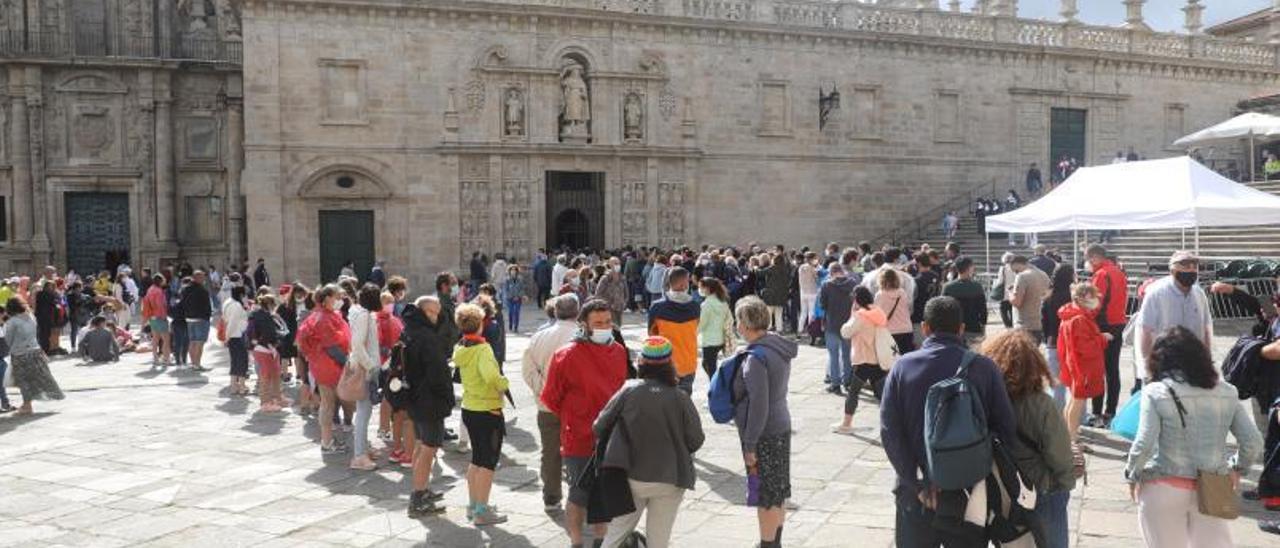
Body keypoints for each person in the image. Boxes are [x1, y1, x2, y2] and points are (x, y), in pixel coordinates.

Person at [879, 296, 1016, 548]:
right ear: (961, 328)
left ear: (925, 328)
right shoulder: (984, 368)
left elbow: (890, 432)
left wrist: (917, 481)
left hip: (915, 491)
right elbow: (1006, 430)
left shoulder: (902, 368)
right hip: (969, 491)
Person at [1125, 326, 1263, 548]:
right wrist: (1237, 468)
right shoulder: (1226, 391)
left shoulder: (1157, 391)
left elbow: (1144, 443)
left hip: (1163, 485)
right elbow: (1253, 441)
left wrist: (1132, 474)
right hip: (1213, 486)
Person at [594, 336, 706, 548]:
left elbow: (599, 426)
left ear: (641, 362)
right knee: (659, 540)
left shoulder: (629, 390)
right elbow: (696, 439)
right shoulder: (680, 396)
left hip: (629, 475)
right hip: (671, 477)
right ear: (670, 362)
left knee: (615, 534)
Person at [542, 298, 629, 546]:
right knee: (579, 494)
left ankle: (601, 540)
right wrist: (576, 415)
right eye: (598, 323)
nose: (604, 327)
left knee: (605, 494)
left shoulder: (618, 351)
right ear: (584, 325)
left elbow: (621, 390)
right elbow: (551, 398)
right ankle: (576, 541)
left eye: (608, 322)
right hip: (579, 436)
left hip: (612, 438)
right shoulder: (566, 355)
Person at [981, 330, 1076, 548]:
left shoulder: (985, 400)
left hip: (1002, 488)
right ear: (1034, 364)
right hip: (1041, 486)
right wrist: (1065, 483)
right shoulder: (1042, 404)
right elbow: (1059, 453)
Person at [728, 296, 795, 548]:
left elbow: (759, 405)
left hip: (763, 431)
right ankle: (774, 541)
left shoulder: (756, 357)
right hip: (781, 424)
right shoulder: (777, 346)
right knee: (777, 491)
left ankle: (767, 544)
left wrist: (749, 444)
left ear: (744, 324)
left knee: (765, 495)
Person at [521, 295, 581, 512]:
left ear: (555, 312)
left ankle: (552, 497)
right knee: (582, 449)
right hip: (579, 407)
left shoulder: (539, 337)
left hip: (547, 405)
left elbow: (528, 371)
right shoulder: (583, 335)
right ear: (578, 311)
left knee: (550, 451)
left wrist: (543, 389)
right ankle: (581, 494)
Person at [454, 302, 509, 526]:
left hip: (470, 408)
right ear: (480, 325)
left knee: (477, 459)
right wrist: (504, 383)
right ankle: (481, 511)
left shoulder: (462, 347)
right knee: (488, 462)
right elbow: (492, 378)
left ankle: (474, 504)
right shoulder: (483, 349)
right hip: (487, 409)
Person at [402, 296, 453, 517]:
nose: (434, 316)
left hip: (414, 398)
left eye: (437, 312)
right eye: (431, 312)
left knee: (421, 445)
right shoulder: (426, 337)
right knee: (428, 448)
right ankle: (418, 496)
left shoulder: (410, 331)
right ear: (421, 311)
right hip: (428, 400)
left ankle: (420, 489)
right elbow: (438, 373)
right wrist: (446, 398)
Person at [297, 284, 352, 454]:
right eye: (337, 297)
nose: (340, 300)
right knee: (328, 404)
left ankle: (327, 440)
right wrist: (348, 364)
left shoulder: (320, 315)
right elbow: (332, 347)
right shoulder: (324, 319)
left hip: (322, 364)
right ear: (327, 298)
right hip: (329, 365)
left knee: (327, 403)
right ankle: (327, 442)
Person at [1058, 282, 1109, 446]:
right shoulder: (1079, 318)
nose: (1095, 300)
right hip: (1082, 366)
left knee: (1073, 400)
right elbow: (1085, 347)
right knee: (1077, 401)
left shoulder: (1071, 315)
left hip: (1074, 364)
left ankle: (1068, 433)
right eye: (1091, 296)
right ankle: (1071, 438)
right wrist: (1102, 338)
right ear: (1081, 298)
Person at [1085, 244, 1130, 428]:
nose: (1087, 263)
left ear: (1095, 257)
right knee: (1113, 370)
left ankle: (1096, 414)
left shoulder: (1101, 274)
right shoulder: (1118, 272)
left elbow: (1094, 304)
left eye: (1088, 259)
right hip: (1118, 323)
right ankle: (1110, 412)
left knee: (1098, 371)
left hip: (1103, 326)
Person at [833, 286, 887, 435]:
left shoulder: (860, 316)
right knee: (883, 393)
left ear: (857, 300)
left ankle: (846, 424)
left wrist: (852, 314)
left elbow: (845, 332)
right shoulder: (878, 312)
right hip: (878, 358)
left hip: (863, 358)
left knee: (853, 392)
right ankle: (896, 422)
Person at [347, 283, 385, 471]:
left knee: (365, 412)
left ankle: (362, 448)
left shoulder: (360, 314)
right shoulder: (364, 316)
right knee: (363, 412)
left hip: (365, 366)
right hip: (366, 369)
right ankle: (359, 455)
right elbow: (357, 344)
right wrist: (370, 366)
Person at [4, 297, 64, 415]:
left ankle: (27, 406)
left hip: (20, 354)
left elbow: (8, 340)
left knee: (23, 381)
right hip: (35, 351)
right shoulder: (31, 317)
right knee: (41, 377)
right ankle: (28, 403)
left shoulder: (12, 322)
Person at [647, 266, 701, 394]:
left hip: (665, 363)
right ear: (684, 284)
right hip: (689, 361)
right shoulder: (695, 306)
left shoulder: (657, 307)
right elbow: (696, 327)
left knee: (665, 404)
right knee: (685, 403)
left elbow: (651, 334)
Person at [817, 263, 858, 394]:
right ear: (842, 271)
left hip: (832, 323)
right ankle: (847, 381)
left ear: (831, 272)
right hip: (848, 323)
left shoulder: (826, 285)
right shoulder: (853, 283)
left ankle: (835, 384)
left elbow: (822, 305)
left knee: (833, 355)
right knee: (847, 355)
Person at [1041, 264, 1075, 408]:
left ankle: (1056, 416)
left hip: (1052, 342)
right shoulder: (1073, 299)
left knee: (1056, 385)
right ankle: (1076, 417)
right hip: (1071, 344)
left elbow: (1044, 322)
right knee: (1074, 384)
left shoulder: (1048, 298)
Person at [249, 293, 289, 412]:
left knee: (274, 374)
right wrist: (276, 341)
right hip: (265, 348)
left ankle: (276, 398)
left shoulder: (260, 315)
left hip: (265, 348)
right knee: (266, 376)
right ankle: (265, 402)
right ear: (270, 304)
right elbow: (269, 333)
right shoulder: (264, 316)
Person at [941, 257, 987, 347]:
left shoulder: (947, 287)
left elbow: (942, 309)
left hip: (953, 329)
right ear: (969, 268)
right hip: (973, 327)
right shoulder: (977, 287)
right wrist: (983, 327)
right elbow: (983, 310)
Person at [696, 277, 734, 382]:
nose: (699, 289)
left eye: (701, 287)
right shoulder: (723, 302)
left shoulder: (707, 304)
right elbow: (729, 319)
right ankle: (718, 382)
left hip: (709, 340)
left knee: (708, 365)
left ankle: (717, 385)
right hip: (721, 338)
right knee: (710, 365)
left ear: (707, 289)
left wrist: (693, 334)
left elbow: (702, 323)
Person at [1009, 255, 1051, 344]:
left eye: (1016, 270)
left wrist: (1010, 293)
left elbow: (1017, 302)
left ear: (1017, 264)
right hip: (1038, 323)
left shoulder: (1022, 276)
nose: (1015, 273)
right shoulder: (1043, 274)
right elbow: (1048, 295)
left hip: (1023, 324)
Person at [179, 270, 213, 372]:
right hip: (201, 319)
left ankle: (193, 363)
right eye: (202, 277)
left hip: (189, 319)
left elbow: (182, 304)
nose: (204, 279)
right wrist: (208, 316)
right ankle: (197, 364)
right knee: (199, 342)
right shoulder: (202, 290)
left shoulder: (185, 289)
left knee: (192, 341)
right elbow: (207, 306)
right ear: (197, 278)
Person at [875, 268, 915, 355]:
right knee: (906, 359)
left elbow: (877, 315)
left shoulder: (880, 295)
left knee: (891, 361)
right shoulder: (902, 293)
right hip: (906, 329)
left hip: (890, 332)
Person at [221, 285, 251, 396]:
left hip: (234, 336)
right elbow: (233, 323)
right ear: (241, 295)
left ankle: (234, 386)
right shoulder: (237, 305)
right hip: (238, 336)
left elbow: (226, 320)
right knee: (242, 361)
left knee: (235, 361)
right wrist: (227, 337)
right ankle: (241, 386)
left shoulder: (228, 303)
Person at [141, 274, 170, 365]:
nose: (165, 281)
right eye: (163, 280)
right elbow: (159, 305)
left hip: (152, 317)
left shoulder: (150, 289)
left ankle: (155, 358)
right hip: (159, 317)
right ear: (160, 281)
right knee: (166, 339)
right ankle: (166, 358)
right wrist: (163, 316)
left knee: (155, 338)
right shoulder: (158, 291)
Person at [594, 258, 628, 326]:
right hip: (609, 308)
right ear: (610, 265)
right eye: (615, 263)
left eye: (619, 264)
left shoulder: (622, 278)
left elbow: (626, 291)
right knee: (612, 327)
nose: (618, 266)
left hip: (619, 308)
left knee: (618, 326)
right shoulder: (605, 278)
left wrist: (624, 302)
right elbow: (598, 293)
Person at [503, 264, 525, 333]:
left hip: (518, 299)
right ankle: (510, 324)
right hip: (510, 299)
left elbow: (522, 289)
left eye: (514, 270)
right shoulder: (507, 280)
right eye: (512, 270)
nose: (513, 271)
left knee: (516, 312)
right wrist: (511, 297)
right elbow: (506, 290)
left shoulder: (520, 279)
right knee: (511, 312)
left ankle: (516, 327)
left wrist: (518, 296)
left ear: (517, 271)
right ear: (509, 271)